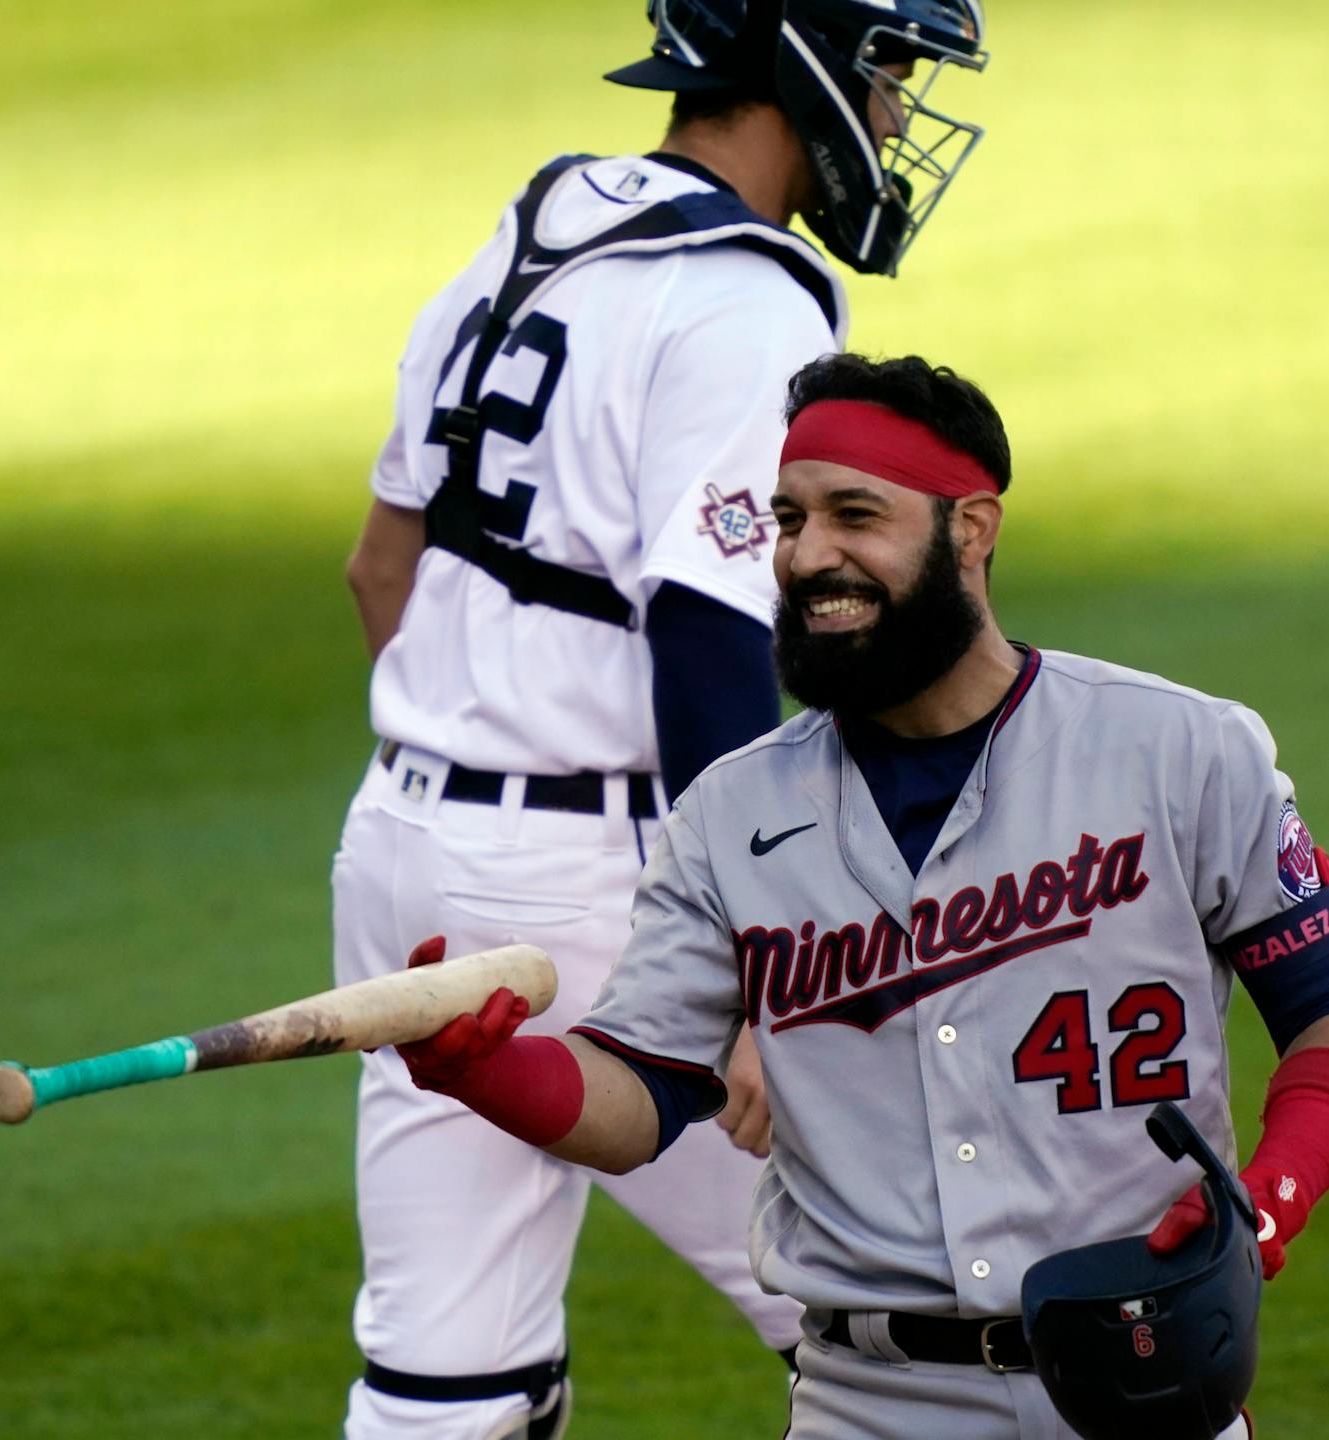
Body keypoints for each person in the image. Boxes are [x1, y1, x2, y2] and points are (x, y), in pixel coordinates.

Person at [393, 354, 1329, 1440]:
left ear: (970, 529)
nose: (809, 554)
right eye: (789, 520)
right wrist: (480, 1067)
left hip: (1145, 1378)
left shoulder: (1181, 750)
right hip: (870, 1403)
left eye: (855, 515)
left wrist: (1271, 1195)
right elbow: (640, 1094)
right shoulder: (728, 814)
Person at [331, 4, 990, 1436]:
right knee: (930, 1323)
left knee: (446, 1376)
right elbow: (707, 639)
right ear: (801, 60)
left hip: (403, 853)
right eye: (888, 71)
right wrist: (762, 969)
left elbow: (381, 567)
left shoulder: (536, 231)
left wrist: (472, 781)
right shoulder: (744, 299)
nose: (895, 114)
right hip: (601, 890)